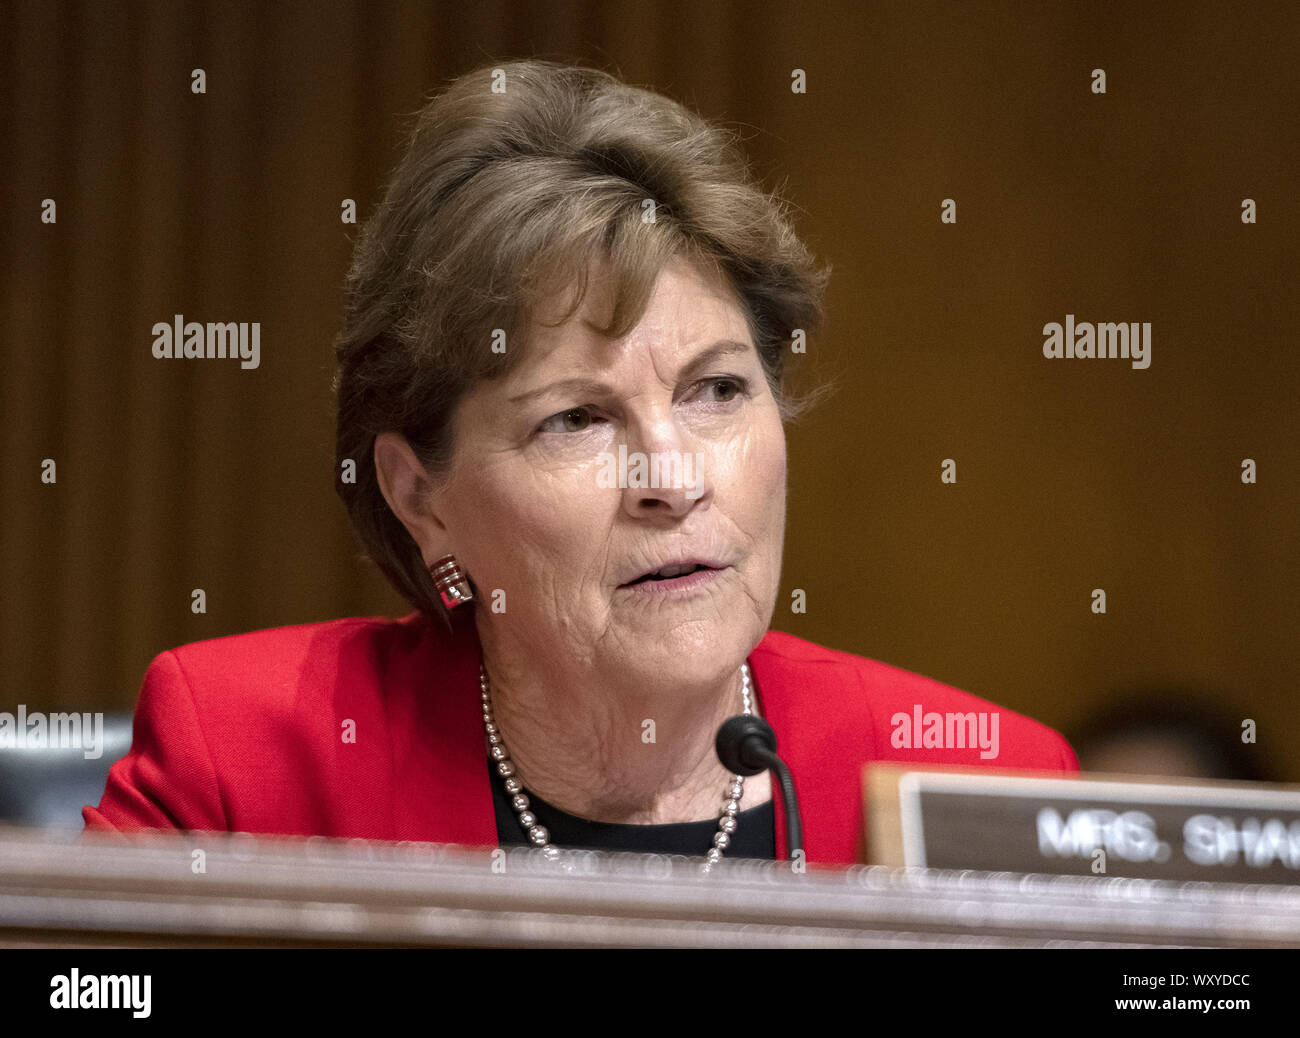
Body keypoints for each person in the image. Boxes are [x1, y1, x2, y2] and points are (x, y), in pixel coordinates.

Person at [83, 59, 1077, 865]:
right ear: (418, 495)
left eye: (717, 390)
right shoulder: (249, 765)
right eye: (574, 420)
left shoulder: (981, 790)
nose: (673, 479)